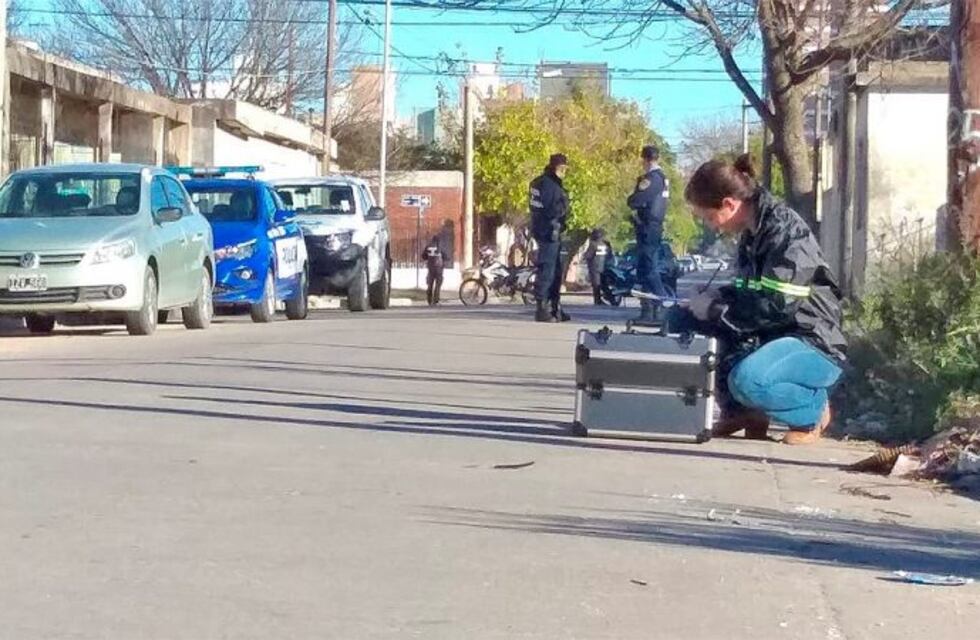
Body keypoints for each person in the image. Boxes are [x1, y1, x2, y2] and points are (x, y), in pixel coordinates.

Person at [673, 154, 847, 445]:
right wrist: (715, 296)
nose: (711, 226)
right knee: (680, 321)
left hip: (810, 340)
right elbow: (747, 293)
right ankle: (743, 412)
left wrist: (716, 309)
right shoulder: (752, 234)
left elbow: (775, 306)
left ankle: (812, 411)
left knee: (748, 380)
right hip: (771, 335)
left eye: (709, 217)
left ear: (729, 204)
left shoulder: (786, 234)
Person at [627, 145, 670, 323]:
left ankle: (661, 303)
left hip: (649, 226)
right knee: (644, 268)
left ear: (645, 159)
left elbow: (636, 200)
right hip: (651, 225)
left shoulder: (653, 178)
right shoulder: (662, 178)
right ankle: (648, 310)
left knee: (649, 267)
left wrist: (632, 198)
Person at [529, 153, 570, 323]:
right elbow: (553, 209)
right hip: (549, 231)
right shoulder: (550, 185)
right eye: (562, 169)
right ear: (555, 167)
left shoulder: (540, 182)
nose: (564, 172)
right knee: (548, 271)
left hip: (545, 230)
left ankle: (555, 307)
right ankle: (542, 309)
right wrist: (564, 208)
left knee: (556, 271)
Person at [583, 228, 613, 305]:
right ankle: (611, 298)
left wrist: (584, 257)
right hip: (604, 266)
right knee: (604, 284)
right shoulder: (606, 244)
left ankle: (598, 300)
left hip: (594, 267)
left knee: (596, 285)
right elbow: (610, 255)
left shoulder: (593, 244)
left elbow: (588, 256)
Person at [421, 235, 447, 306]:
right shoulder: (440, 247)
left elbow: (423, 256)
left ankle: (429, 300)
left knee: (430, 284)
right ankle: (436, 300)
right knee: (438, 285)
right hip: (439, 268)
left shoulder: (428, 246)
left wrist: (429, 258)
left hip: (430, 268)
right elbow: (445, 256)